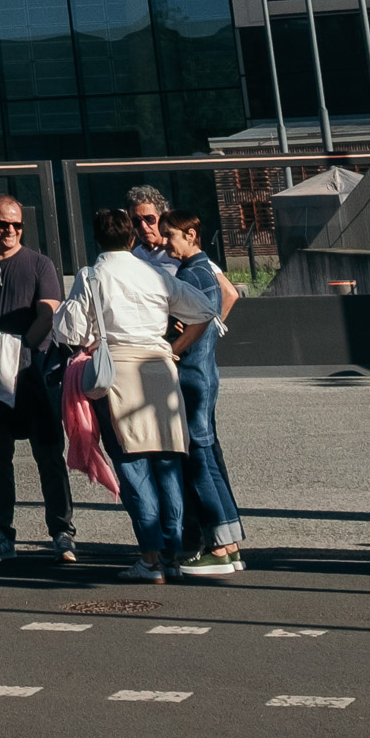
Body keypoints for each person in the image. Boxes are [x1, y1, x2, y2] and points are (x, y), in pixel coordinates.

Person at [72, 206, 197, 584]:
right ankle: (173, 554)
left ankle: (150, 558)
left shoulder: (91, 275)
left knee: (133, 467)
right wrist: (175, 346)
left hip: (119, 374)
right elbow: (205, 309)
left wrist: (93, 339)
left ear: (97, 239)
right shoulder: (154, 273)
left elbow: (72, 330)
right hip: (160, 368)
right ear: (130, 238)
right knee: (168, 465)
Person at [0, 196, 72, 564]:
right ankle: (2, 532)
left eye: (17, 225)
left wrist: (21, 352)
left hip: (34, 373)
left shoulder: (40, 264)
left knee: (49, 455)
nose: (10, 230)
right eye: (3, 224)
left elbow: (48, 312)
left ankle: (62, 532)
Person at [151, 208, 245, 577]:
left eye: (170, 235)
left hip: (192, 377)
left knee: (200, 462)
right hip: (203, 375)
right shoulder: (204, 270)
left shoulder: (192, 273)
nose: (164, 241)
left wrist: (175, 344)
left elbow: (202, 317)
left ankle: (221, 549)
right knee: (208, 458)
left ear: (191, 234)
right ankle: (230, 544)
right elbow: (226, 299)